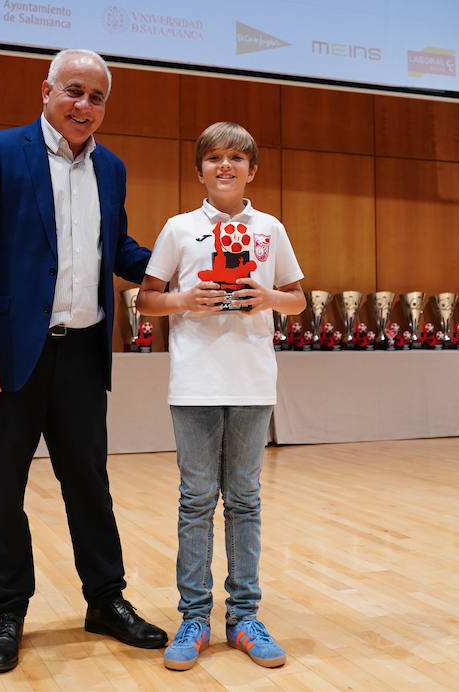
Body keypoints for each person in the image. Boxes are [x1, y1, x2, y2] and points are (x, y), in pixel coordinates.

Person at [0, 48, 166, 674]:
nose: (84, 106)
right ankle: (8, 610)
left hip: (82, 356)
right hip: (9, 360)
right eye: (73, 92)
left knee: (90, 487)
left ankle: (106, 600)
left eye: (97, 98)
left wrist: (181, 260)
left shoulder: (111, 167)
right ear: (45, 92)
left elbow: (113, 246)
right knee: (3, 488)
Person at [135, 121, 306, 672]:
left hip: (254, 382)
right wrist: (185, 301)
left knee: (246, 500)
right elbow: (146, 300)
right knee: (196, 500)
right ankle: (193, 617)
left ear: (252, 170)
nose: (225, 166)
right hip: (195, 384)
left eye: (236, 158)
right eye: (214, 158)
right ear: (200, 171)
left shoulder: (271, 228)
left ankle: (244, 617)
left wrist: (268, 296)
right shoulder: (179, 229)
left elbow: (298, 301)